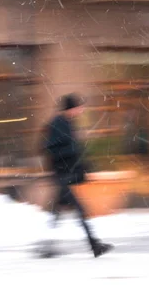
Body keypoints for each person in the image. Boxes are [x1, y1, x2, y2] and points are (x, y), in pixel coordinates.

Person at [39, 93, 114, 259]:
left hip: (65, 175)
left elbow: (70, 150)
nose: (80, 110)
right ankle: (94, 245)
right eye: (78, 107)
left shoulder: (67, 123)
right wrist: (71, 154)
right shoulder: (58, 124)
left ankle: (46, 247)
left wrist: (82, 164)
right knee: (79, 211)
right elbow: (50, 148)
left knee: (57, 214)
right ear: (70, 108)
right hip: (62, 176)